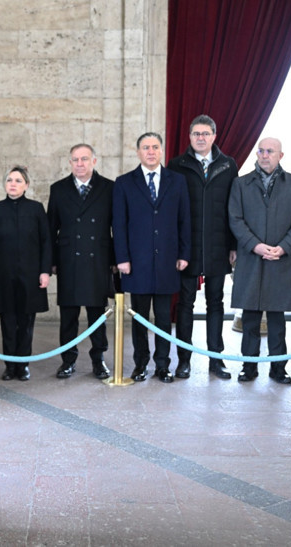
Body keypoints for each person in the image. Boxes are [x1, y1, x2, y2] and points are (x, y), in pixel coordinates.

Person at [113, 132, 191, 383]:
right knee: (139, 318)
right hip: (137, 263)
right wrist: (122, 258)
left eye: (155, 147)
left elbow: (184, 221)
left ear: (162, 151)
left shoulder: (177, 181)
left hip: (168, 261)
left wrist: (184, 253)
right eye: (145, 147)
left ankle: (162, 365)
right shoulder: (124, 183)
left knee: (164, 318)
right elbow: (119, 224)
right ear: (138, 152)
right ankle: (140, 364)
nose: (150, 151)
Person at [228, 137, 291, 384]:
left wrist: (283, 248)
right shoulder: (240, 184)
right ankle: (248, 367)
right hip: (251, 259)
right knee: (249, 317)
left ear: (280, 155)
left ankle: (278, 369)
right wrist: (256, 246)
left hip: (280, 261)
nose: (264, 155)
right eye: (260, 150)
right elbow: (235, 219)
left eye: (270, 151)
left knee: (277, 319)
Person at [167, 115, 238, 380]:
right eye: (196, 133)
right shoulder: (177, 165)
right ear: (189, 136)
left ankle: (216, 360)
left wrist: (233, 245)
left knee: (216, 304)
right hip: (187, 246)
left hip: (219, 245)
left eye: (205, 133)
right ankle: (183, 360)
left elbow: (234, 208)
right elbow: (171, 209)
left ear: (214, 136)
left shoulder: (228, 165)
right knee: (185, 304)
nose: (200, 138)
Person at [47, 144, 114, 380]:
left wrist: (115, 261)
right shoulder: (58, 189)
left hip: (98, 259)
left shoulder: (108, 188)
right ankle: (68, 360)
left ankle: (99, 360)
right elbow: (50, 230)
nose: (80, 164)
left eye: (84, 159)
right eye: (75, 159)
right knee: (68, 316)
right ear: (70, 163)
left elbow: (116, 228)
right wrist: (50, 262)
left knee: (97, 315)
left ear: (94, 161)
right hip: (69, 260)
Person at [0, 166, 52, 381]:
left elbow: (46, 242)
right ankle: (9, 365)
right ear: (4, 184)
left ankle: (23, 364)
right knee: (8, 321)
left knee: (26, 322)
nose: (13, 183)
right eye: (10, 180)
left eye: (18, 180)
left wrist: (45, 271)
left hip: (30, 275)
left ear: (26, 185)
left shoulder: (37, 209)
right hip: (2, 275)